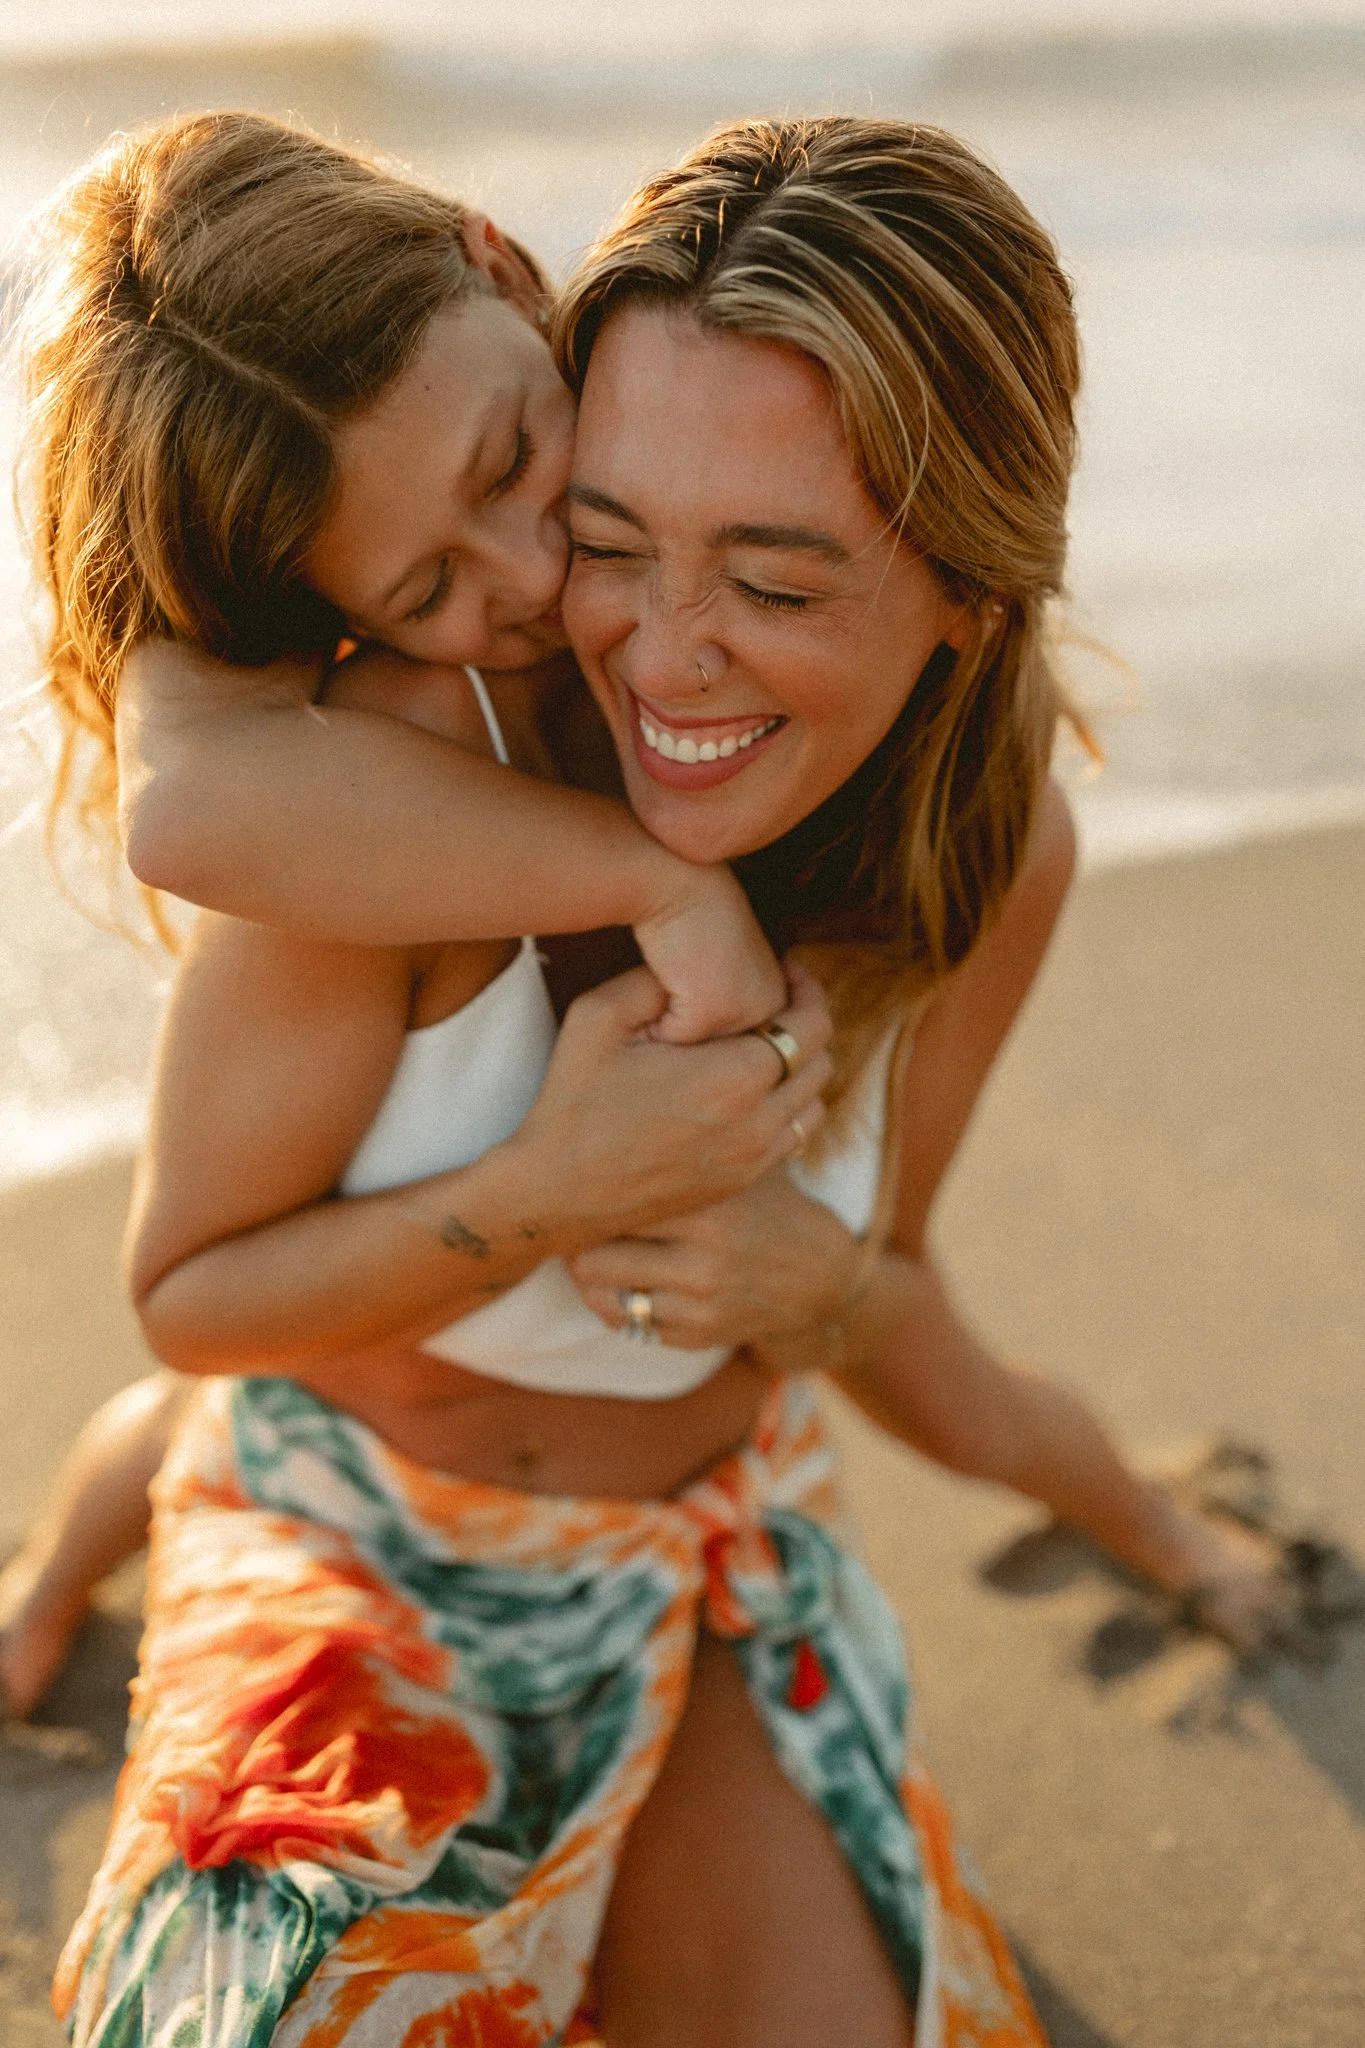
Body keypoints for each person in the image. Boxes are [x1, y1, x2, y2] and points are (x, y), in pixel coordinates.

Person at [13, 111, 1291, 2047]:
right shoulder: (379, 790)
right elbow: (197, 1279)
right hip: (352, 1512)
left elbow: (888, 1286)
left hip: (689, 1547)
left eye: (774, 585)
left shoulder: (980, 855)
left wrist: (1141, 1518)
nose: (585, 612)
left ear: (969, 584)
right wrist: (554, 1174)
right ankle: (75, 1554)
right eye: (609, 532)